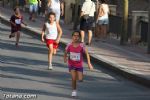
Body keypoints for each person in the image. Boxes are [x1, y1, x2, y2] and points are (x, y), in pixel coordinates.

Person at [64, 31, 94, 97]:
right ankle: (74, 91)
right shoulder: (69, 44)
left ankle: (79, 76)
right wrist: (65, 58)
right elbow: (66, 52)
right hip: (71, 64)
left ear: (80, 37)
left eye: (77, 36)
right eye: (74, 36)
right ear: (72, 37)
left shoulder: (82, 45)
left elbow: (87, 54)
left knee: (80, 79)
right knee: (73, 78)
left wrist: (89, 64)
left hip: (79, 65)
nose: (76, 37)